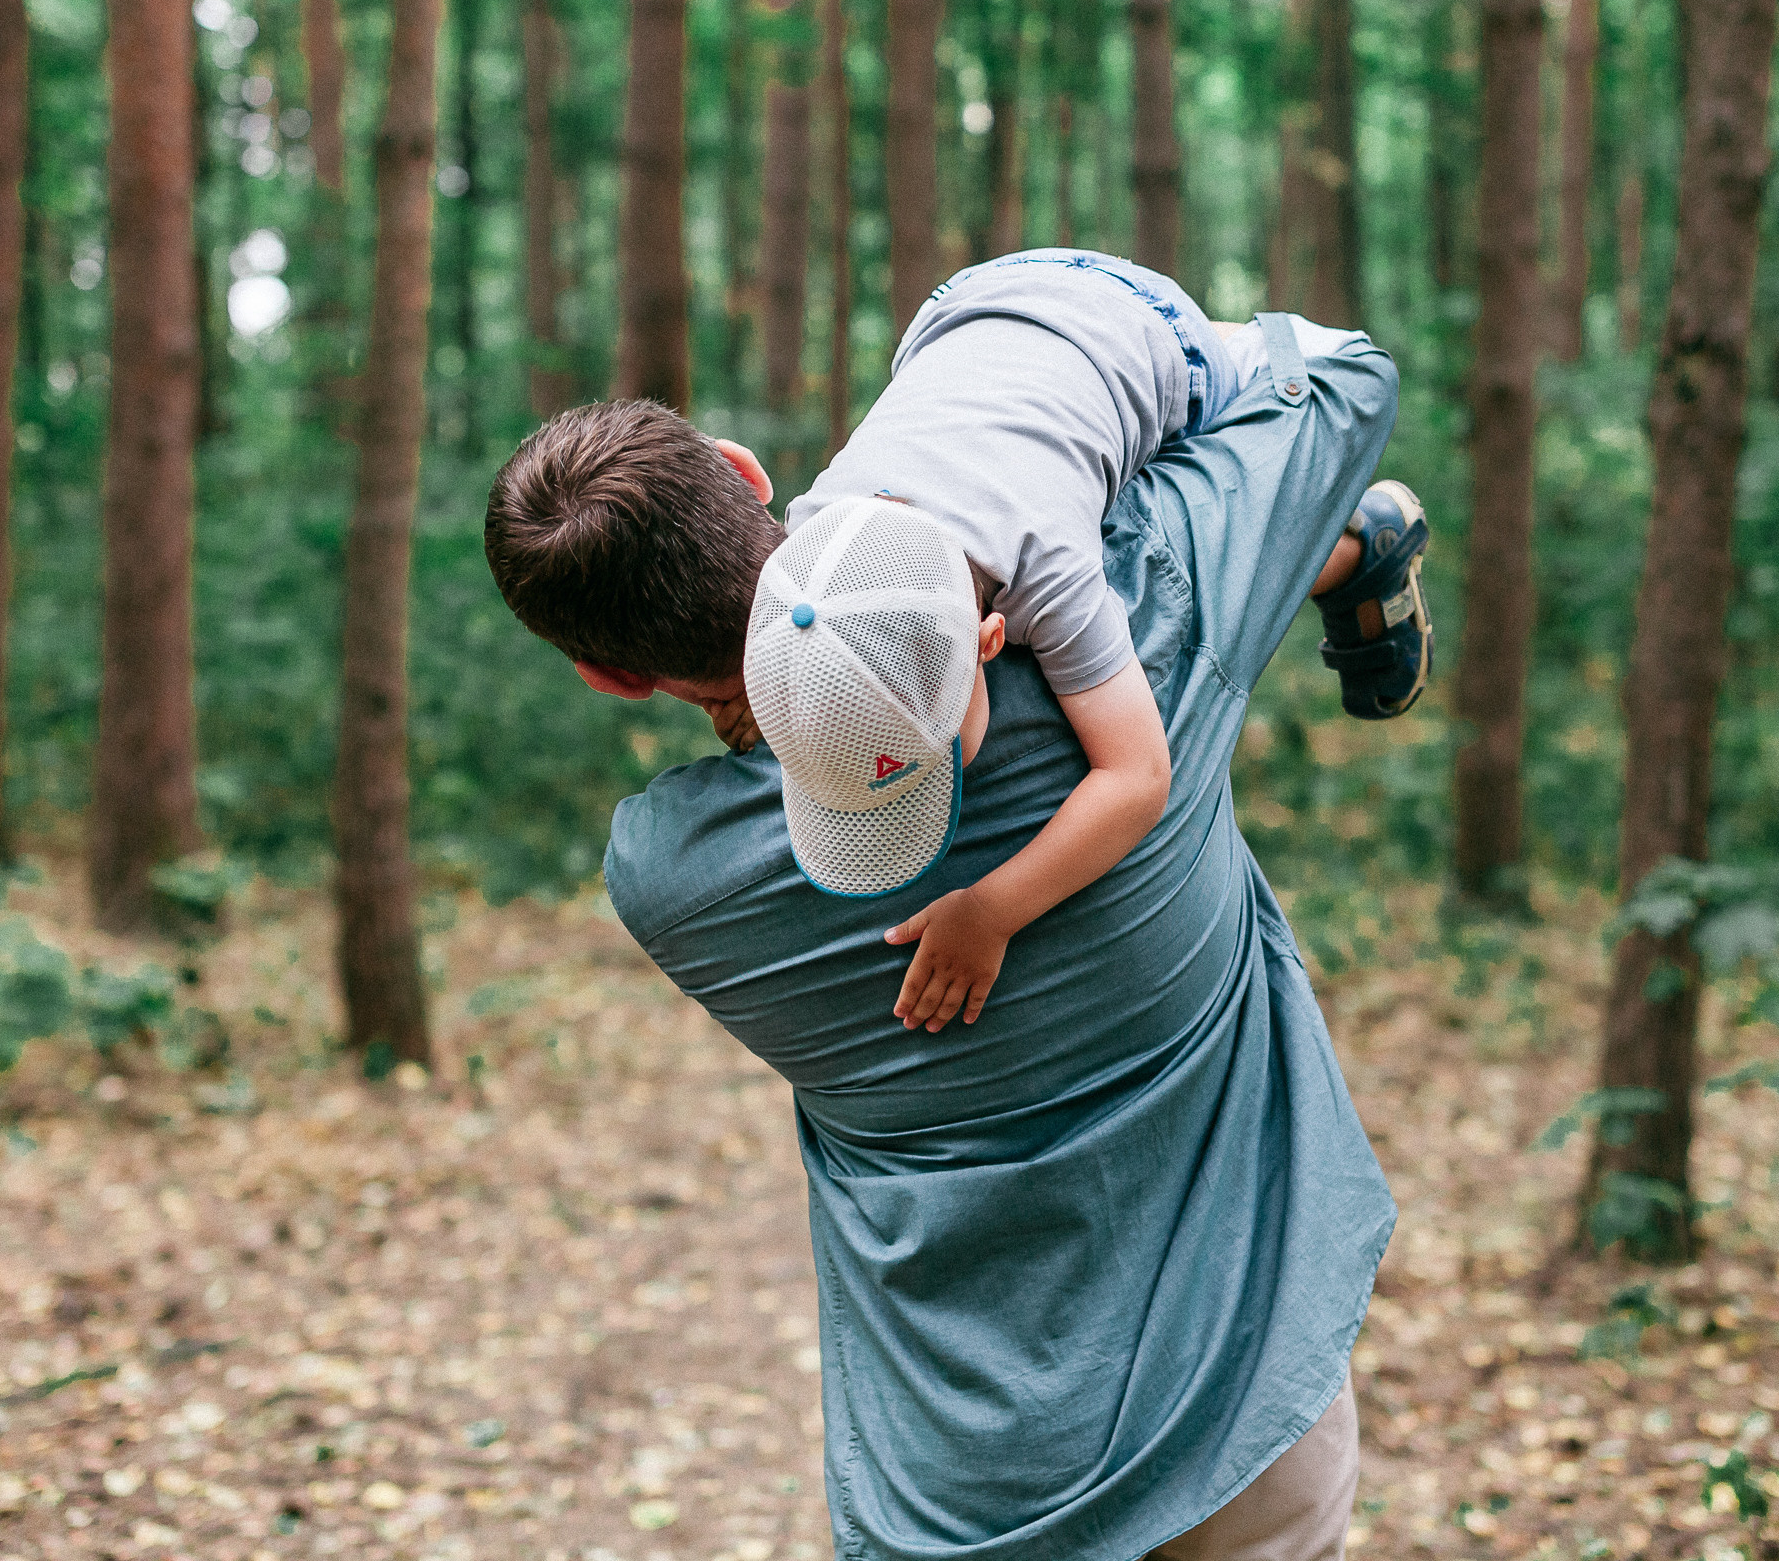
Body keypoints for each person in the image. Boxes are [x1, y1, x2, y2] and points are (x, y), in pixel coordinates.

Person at [486, 312, 1401, 1560]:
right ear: (756, 480)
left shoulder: (671, 882)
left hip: (958, 1485)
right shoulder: (1145, 612)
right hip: (1242, 1414)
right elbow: (1342, 380)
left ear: (611, 676)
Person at [494, 250, 1431, 1035]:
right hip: (956, 323)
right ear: (745, 474)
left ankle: (1354, 540)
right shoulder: (825, 545)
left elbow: (1140, 778)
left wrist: (992, 910)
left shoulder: (1050, 575)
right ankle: (1355, 549)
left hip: (1140, 335)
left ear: (993, 641)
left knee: (1165, 532)